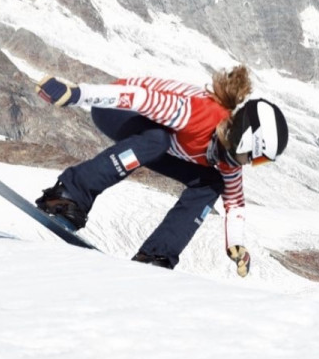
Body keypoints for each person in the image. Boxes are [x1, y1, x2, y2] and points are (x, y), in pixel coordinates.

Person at [34, 65, 288, 277]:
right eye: (258, 158)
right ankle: (68, 196)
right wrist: (76, 94)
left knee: (211, 183)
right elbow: (136, 98)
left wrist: (236, 245)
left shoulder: (229, 160)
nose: (251, 164)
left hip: (152, 141)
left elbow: (234, 203)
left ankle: (156, 255)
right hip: (116, 108)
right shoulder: (198, 115)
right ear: (246, 138)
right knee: (158, 139)